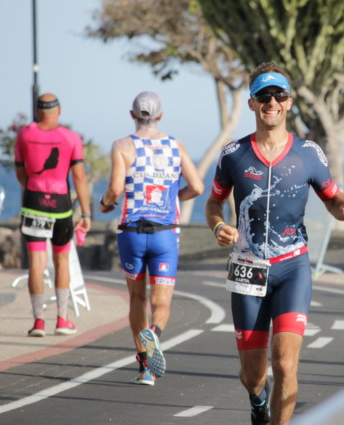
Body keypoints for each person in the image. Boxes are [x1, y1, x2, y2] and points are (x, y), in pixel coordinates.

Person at [205, 62, 344, 425]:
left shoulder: (309, 153)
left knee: (286, 363)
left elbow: (334, 202)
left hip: (293, 266)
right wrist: (218, 226)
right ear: (252, 104)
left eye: (279, 95)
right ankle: (258, 403)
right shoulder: (233, 154)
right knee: (253, 376)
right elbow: (214, 202)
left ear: (289, 103)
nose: (272, 102)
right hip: (248, 268)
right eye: (264, 96)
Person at [98, 91, 203, 386]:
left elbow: (115, 189)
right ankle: (155, 333)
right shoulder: (176, 145)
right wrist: (172, 199)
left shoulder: (122, 146)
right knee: (162, 302)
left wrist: (105, 203)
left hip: (131, 232)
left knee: (136, 297)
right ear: (161, 116)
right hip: (165, 234)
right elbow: (197, 186)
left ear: (132, 115)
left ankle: (145, 367)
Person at [15, 93, 92, 337]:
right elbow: (79, 177)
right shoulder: (70, 138)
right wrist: (86, 212)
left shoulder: (25, 134)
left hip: (34, 201)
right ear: (59, 111)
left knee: (36, 264)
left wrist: (34, 189)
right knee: (61, 261)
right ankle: (62, 319)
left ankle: (38, 322)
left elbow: (21, 173)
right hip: (60, 205)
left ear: (38, 112)